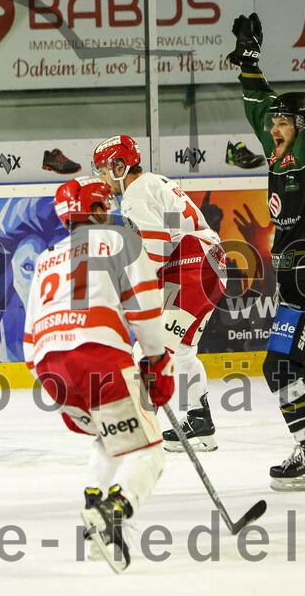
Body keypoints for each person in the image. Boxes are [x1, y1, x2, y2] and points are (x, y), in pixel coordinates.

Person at [228, 12, 305, 491]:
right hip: (295, 276)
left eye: (283, 123)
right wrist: (249, 59)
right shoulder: (280, 147)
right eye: (275, 123)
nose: (273, 128)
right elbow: (257, 103)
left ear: (304, 126)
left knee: (279, 366)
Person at [23, 178, 175, 573]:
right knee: (150, 451)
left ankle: (95, 521)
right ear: (97, 210)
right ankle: (114, 511)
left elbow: (28, 341)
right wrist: (156, 361)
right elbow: (144, 307)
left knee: (109, 436)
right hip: (96, 357)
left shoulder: (46, 257)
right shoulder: (119, 240)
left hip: (49, 369)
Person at [92, 135, 227, 453]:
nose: (102, 178)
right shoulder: (149, 185)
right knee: (179, 351)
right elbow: (160, 246)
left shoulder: (136, 194)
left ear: (121, 166)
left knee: (152, 350)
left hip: (196, 267)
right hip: (195, 265)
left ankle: (133, 431)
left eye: (103, 170)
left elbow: (153, 251)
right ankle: (200, 423)